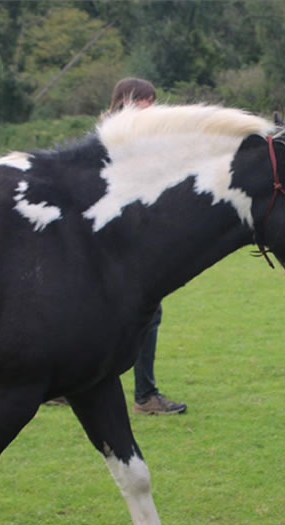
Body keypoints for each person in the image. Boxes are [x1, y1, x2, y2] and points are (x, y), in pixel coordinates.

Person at [108, 77, 186, 416]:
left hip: (125, 239)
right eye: (145, 102)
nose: (151, 109)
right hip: (120, 242)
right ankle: (145, 396)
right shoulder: (118, 140)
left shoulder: (125, 137)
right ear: (126, 101)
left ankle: (65, 383)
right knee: (147, 313)